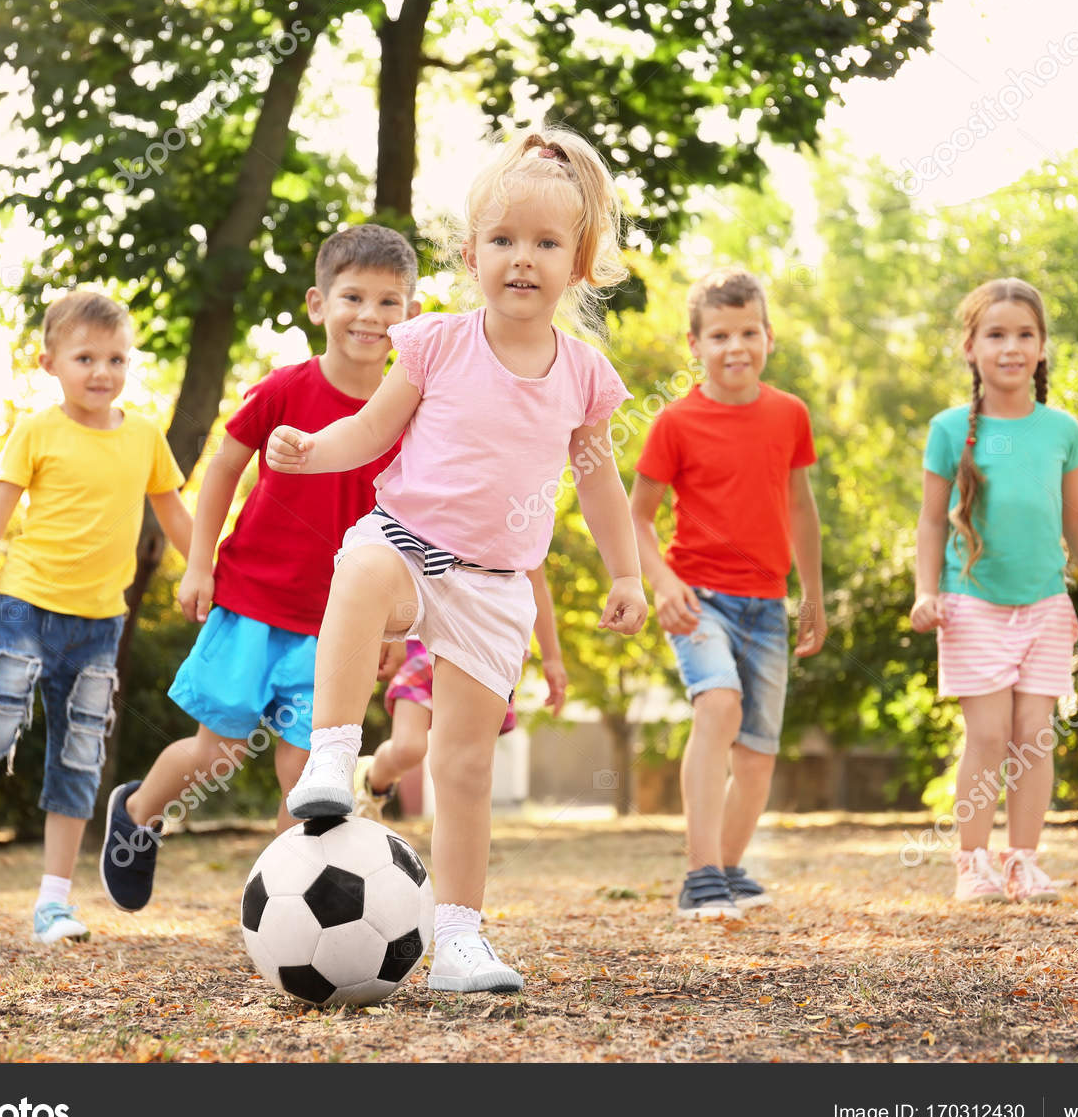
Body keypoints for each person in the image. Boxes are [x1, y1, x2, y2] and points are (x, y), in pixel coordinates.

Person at [266, 127, 648, 993]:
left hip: (494, 584)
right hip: (405, 541)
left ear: (579, 261)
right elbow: (370, 431)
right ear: (471, 251)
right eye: (504, 240)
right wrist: (309, 451)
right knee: (357, 570)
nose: (523, 259)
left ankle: (461, 940)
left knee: (464, 764)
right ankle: (333, 755)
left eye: (546, 243)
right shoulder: (436, 342)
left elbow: (598, 485)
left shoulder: (584, 375)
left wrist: (627, 572)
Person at [98, 224, 421, 912]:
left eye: (389, 302)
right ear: (317, 304)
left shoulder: (410, 411)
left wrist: (395, 623)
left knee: (307, 775)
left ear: (412, 315)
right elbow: (220, 469)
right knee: (215, 753)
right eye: (353, 297)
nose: (370, 315)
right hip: (251, 599)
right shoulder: (285, 388)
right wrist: (200, 565)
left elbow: (409, 522)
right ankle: (136, 813)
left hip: (340, 623)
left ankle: (283, 911)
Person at [0, 291, 191, 944]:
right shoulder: (37, 431)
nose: (101, 371)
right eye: (85, 357)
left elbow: (176, 516)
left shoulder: (145, 437)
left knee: (78, 757)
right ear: (50, 362)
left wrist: (214, 571)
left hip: (99, 623)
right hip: (24, 609)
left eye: (115, 358)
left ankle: (54, 902)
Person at [910, 277, 1078, 903]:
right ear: (970, 347)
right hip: (972, 602)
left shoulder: (1060, 429)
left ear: (1043, 347)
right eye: (996, 334)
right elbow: (928, 520)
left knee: (1035, 735)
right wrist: (926, 591)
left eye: (1025, 334)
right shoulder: (950, 429)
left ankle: (1022, 862)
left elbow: (1076, 517)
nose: (1011, 347)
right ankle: (972, 863)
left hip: (1046, 605)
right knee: (990, 736)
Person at [631, 268, 825, 921]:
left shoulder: (789, 414)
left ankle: (730, 869)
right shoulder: (675, 422)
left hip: (769, 604)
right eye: (719, 335)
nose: (735, 346)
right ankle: (700, 873)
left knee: (759, 756)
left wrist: (815, 597)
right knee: (718, 706)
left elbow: (801, 507)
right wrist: (661, 583)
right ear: (695, 343)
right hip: (698, 597)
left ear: (768, 336)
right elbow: (635, 517)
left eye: (748, 332)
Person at [355, 567, 568, 819]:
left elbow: (537, 587)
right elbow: (402, 559)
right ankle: (370, 781)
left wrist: (552, 658)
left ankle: (460, 837)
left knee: (464, 764)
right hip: (423, 644)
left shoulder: (524, 535)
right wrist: (391, 631)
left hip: (486, 650)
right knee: (408, 748)